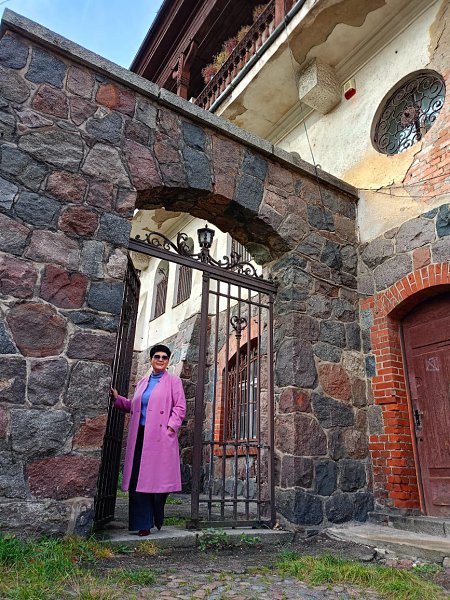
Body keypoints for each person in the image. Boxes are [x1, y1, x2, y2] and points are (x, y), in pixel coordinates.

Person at [111, 344, 186, 536]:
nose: (160, 360)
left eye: (164, 357)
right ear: (151, 359)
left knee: (158, 481)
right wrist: (118, 399)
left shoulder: (173, 382)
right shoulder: (142, 382)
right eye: (157, 356)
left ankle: (157, 514)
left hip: (161, 437)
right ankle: (142, 523)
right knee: (138, 480)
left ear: (168, 361)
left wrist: (171, 427)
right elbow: (134, 406)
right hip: (140, 436)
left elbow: (180, 407)